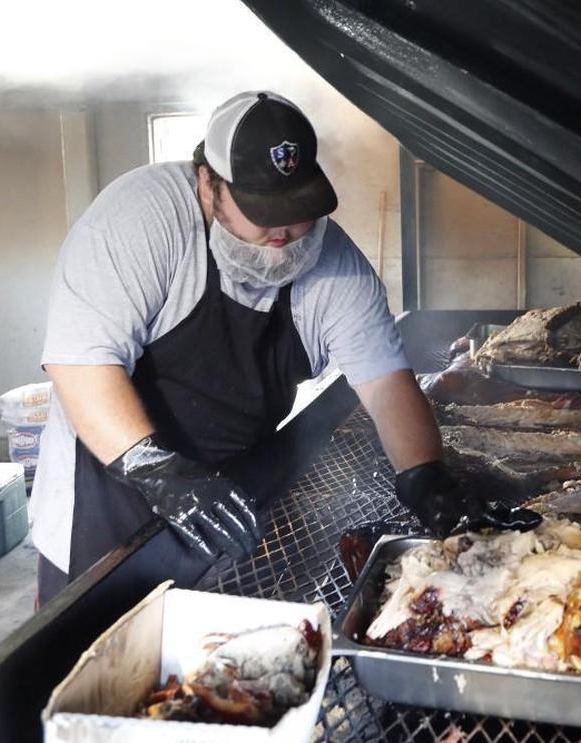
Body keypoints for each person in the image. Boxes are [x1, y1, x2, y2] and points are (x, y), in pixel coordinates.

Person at [30, 91, 533, 606]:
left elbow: (386, 384)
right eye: (262, 212)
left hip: (233, 481)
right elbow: (82, 363)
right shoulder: (142, 218)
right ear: (208, 183)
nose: (283, 234)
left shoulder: (333, 262)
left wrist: (425, 477)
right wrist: (156, 469)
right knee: (94, 653)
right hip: (111, 485)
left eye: (297, 212)